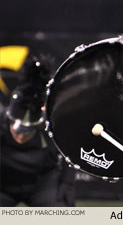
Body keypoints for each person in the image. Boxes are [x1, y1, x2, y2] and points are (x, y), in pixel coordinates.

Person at [0, 55, 75, 207]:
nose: (20, 136)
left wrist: (67, 184)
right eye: (18, 130)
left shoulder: (52, 127)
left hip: (41, 183)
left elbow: (68, 154)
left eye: (27, 131)